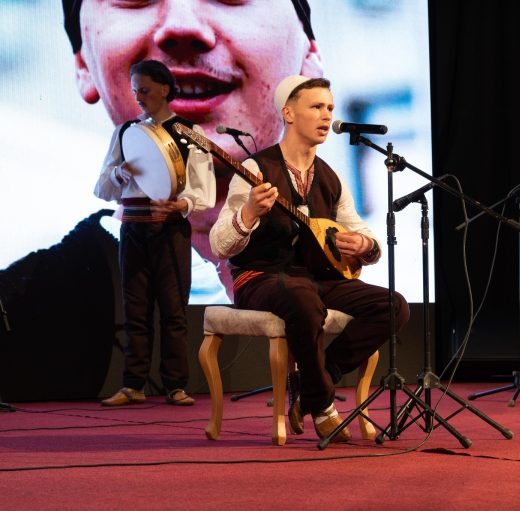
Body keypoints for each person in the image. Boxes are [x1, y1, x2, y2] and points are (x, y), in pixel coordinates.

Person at [63, 0, 323, 300]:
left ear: (308, 53)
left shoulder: (361, 298)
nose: (183, 25)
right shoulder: (28, 310)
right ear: (83, 63)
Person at [210, 75, 410, 441]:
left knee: (393, 305)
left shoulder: (331, 178)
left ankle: (312, 381)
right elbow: (219, 245)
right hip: (261, 277)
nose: (326, 115)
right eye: (316, 107)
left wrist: (363, 245)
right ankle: (323, 405)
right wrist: (249, 213)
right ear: (288, 113)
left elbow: (361, 233)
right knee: (303, 299)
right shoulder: (256, 169)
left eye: (330, 107)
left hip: (316, 278)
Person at [96, 60, 215, 406]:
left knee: (173, 310)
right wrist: (118, 175)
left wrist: (181, 205)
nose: (139, 98)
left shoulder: (191, 132)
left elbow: (204, 190)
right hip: (133, 228)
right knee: (135, 310)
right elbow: (101, 188)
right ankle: (133, 384)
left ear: (164, 89)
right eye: (136, 91)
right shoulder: (126, 132)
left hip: (169, 229)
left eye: (145, 90)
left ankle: (175, 384)